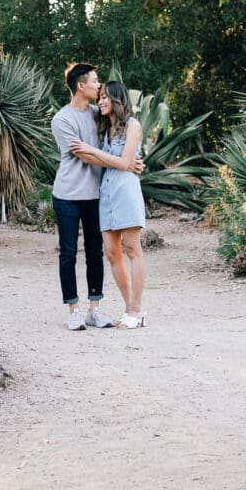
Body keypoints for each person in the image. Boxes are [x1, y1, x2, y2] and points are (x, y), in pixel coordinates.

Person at [51, 62, 142, 331]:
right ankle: (74, 310)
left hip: (96, 195)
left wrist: (133, 162)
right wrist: (124, 162)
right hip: (67, 194)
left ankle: (95, 308)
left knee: (96, 253)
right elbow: (86, 154)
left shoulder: (98, 113)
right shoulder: (62, 119)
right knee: (68, 253)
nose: (99, 86)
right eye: (94, 81)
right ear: (81, 86)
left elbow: (117, 139)